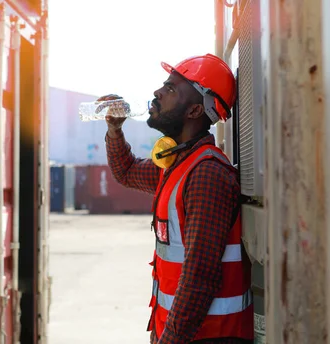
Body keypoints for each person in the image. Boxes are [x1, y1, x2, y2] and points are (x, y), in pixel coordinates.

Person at [103, 54, 254, 343]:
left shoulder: (207, 175)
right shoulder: (176, 164)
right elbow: (127, 171)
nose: (157, 93)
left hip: (208, 337)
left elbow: (199, 277)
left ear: (195, 110)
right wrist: (115, 130)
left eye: (171, 89)